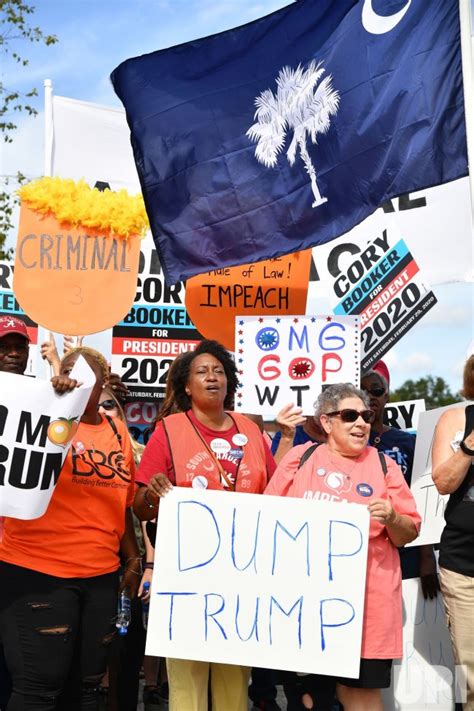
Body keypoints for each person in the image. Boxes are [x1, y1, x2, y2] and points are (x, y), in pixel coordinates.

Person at [134, 339, 276, 711]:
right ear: (186, 385)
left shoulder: (253, 431)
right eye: (202, 371)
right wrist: (152, 492)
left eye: (219, 371)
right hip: (186, 574)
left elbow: (277, 496)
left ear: (229, 381)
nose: (212, 377)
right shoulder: (168, 430)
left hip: (244, 571)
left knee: (234, 680)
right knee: (187, 680)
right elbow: (140, 508)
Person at [0, 346, 140, 711]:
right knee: (38, 689)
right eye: (69, 369)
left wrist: (133, 558)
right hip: (37, 570)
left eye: (87, 373)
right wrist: (50, 401)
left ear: (103, 382)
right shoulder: (39, 416)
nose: (77, 377)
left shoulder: (117, 431)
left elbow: (121, 503)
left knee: (89, 689)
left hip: (100, 577)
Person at [266, 383, 421, 711]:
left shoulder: (384, 466)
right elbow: (266, 518)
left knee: (360, 699)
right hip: (306, 608)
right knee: (309, 699)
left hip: (368, 611)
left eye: (366, 415)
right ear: (326, 422)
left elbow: (408, 532)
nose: (361, 423)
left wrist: (392, 517)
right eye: (350, 416)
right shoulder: (300, 457)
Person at [361, 362, 439, 598]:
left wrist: (426, 558)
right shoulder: (347, 439)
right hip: (363, 547)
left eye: (375, 391)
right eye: (362, 391)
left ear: (387, 396)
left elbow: (422, 497)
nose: (369, 397)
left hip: (405, 547)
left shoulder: (406, 441)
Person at [432, 354, 474, 709]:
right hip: (464, 568)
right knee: (470, 673)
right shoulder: (455, 419)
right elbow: (443, 483)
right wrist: (469, 446)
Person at [0, 316, 31, 710]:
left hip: (20, 548)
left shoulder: (42, 395)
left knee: (14, 646)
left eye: (18, 345)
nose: (10, 353)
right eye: (4, 345)